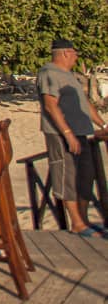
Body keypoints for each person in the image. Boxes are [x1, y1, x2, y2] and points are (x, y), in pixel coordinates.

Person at [37, 38, 107, 237]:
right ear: (66, 53)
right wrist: (67, 133)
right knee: (67, 177)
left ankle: (84, 221)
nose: (77, 57)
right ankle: (76, 223)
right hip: (62, 134)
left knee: (86, 175)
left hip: (82, 132)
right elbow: (51, 105)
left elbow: (85, 104)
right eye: (75, 53)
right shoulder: (49, 73)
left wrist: (102, 125)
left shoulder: (70, 76)